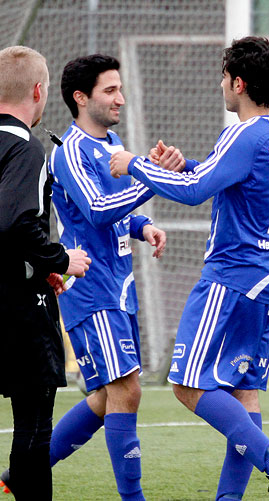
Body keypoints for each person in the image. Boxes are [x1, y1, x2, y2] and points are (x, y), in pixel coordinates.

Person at [109, 36, 269, 501]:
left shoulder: (244, 133)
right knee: (242, 391)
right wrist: (184, 165)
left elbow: (197, 192)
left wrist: (134, 163)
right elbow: (229, 179)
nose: (221, 84)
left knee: (186, 384)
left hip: (233, 279)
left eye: (224, 76)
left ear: (238, 83)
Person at [2, 54, 166, 501]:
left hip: (117, 285)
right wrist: (154, 175)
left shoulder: (111, 142)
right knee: (126, 390)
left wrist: (141, 225)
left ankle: (20, 476)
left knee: (103, 398)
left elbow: (115, 206)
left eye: (119, 89)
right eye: (110, 90)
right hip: (90, 290)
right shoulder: (68, 150)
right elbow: (93, 210)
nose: (121, 98)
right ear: (80, 97)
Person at [0, 46, 91, 500]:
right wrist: (58, 259)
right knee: (34, 431)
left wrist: (35, 266)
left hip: (18, 284)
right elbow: (14, 221)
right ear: (39, 91)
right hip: (16, 312)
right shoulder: (25, 148)